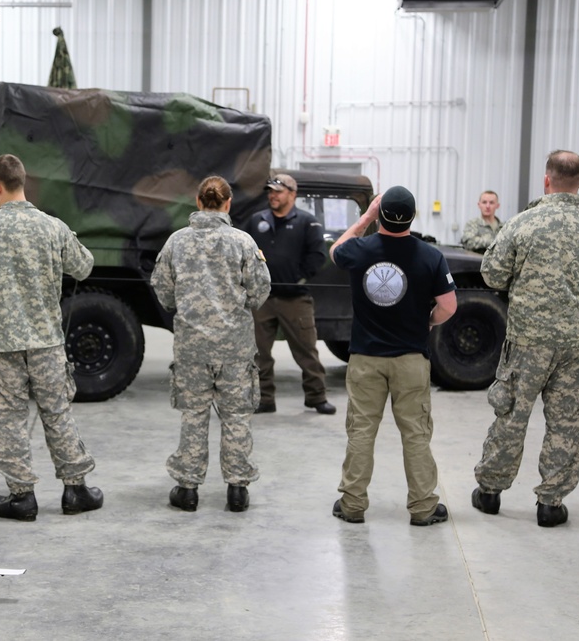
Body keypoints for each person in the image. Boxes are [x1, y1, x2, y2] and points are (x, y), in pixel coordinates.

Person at [472, 150, 579, 528]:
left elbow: (492, 275)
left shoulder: (522, 224)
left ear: (547, 180)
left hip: (528, 342)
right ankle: (551, 503)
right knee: (566, 423)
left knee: (511, 414)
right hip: (578, 345)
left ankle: (491, 492)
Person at [0, 154, 102, 522]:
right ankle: (76, 490)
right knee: (57, 412)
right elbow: (84, 266)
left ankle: (21, 496)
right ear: (23, 182)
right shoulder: (52, 226)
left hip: (2, 342)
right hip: (46, 340)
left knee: (9, 416)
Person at [329, 186, 456, 526]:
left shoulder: (360, 249)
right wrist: (426, 322)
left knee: (361, 431)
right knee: (415, 433)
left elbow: (335, 251)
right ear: (413, 217)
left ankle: (353, 504)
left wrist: (366, 218)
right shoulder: (431, 256)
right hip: (411, 359)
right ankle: (423, 508)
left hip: (365, 359)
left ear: (380, 213)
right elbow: (448, 306)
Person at [151, 176, 272, 513]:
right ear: (228, 203)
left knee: (194, 415)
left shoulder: (176, 242)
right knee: (236, 416)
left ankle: (187, 489)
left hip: (191, 347)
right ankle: (237, 490)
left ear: (198, 200)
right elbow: (261, 291)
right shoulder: (244, 243)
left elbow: (162, 290)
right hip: (234, 347)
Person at [243, 173, 336, 415]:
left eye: (278, 191)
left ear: (292, 194)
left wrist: (298, 279)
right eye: (270, 191)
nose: (272, 195)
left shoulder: (308, 222)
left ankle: (316, 397)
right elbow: (244, 252)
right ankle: (264, 399)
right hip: (261, 299)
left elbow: (318, 257)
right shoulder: (256, 221)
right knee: (258, 352)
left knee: (306, 350)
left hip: (295, 300)